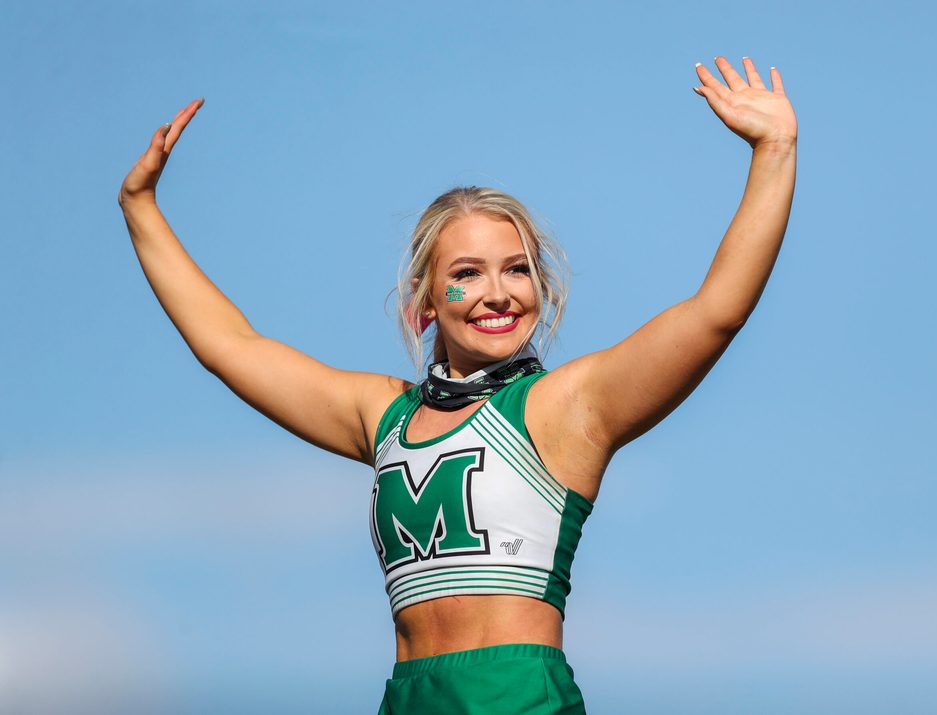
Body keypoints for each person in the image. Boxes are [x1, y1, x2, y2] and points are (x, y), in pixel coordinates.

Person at [119, 55, 797, 714]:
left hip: (517, 696)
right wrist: (140, 207)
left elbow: (715, 313)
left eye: (518, 270)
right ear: (424, 302)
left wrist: (774, 150)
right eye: (467, 272)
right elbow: (231, 348)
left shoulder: (567, 408)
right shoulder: (382, 415)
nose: (497, 293)